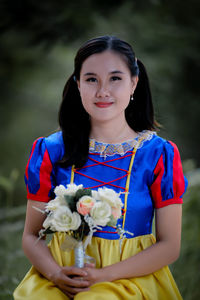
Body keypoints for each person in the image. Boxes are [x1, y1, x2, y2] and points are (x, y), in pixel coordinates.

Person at [13, 35, 187, 300]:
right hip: (60, 273)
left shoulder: (158, 154)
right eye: (91, 79)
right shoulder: (50, 150)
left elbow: (170, 246)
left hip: (130, 279)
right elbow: (30, 235)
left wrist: (103, 276)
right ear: (78, 84)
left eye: (115, 78)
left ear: (134, 83)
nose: (102, 90)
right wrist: (55, 274)